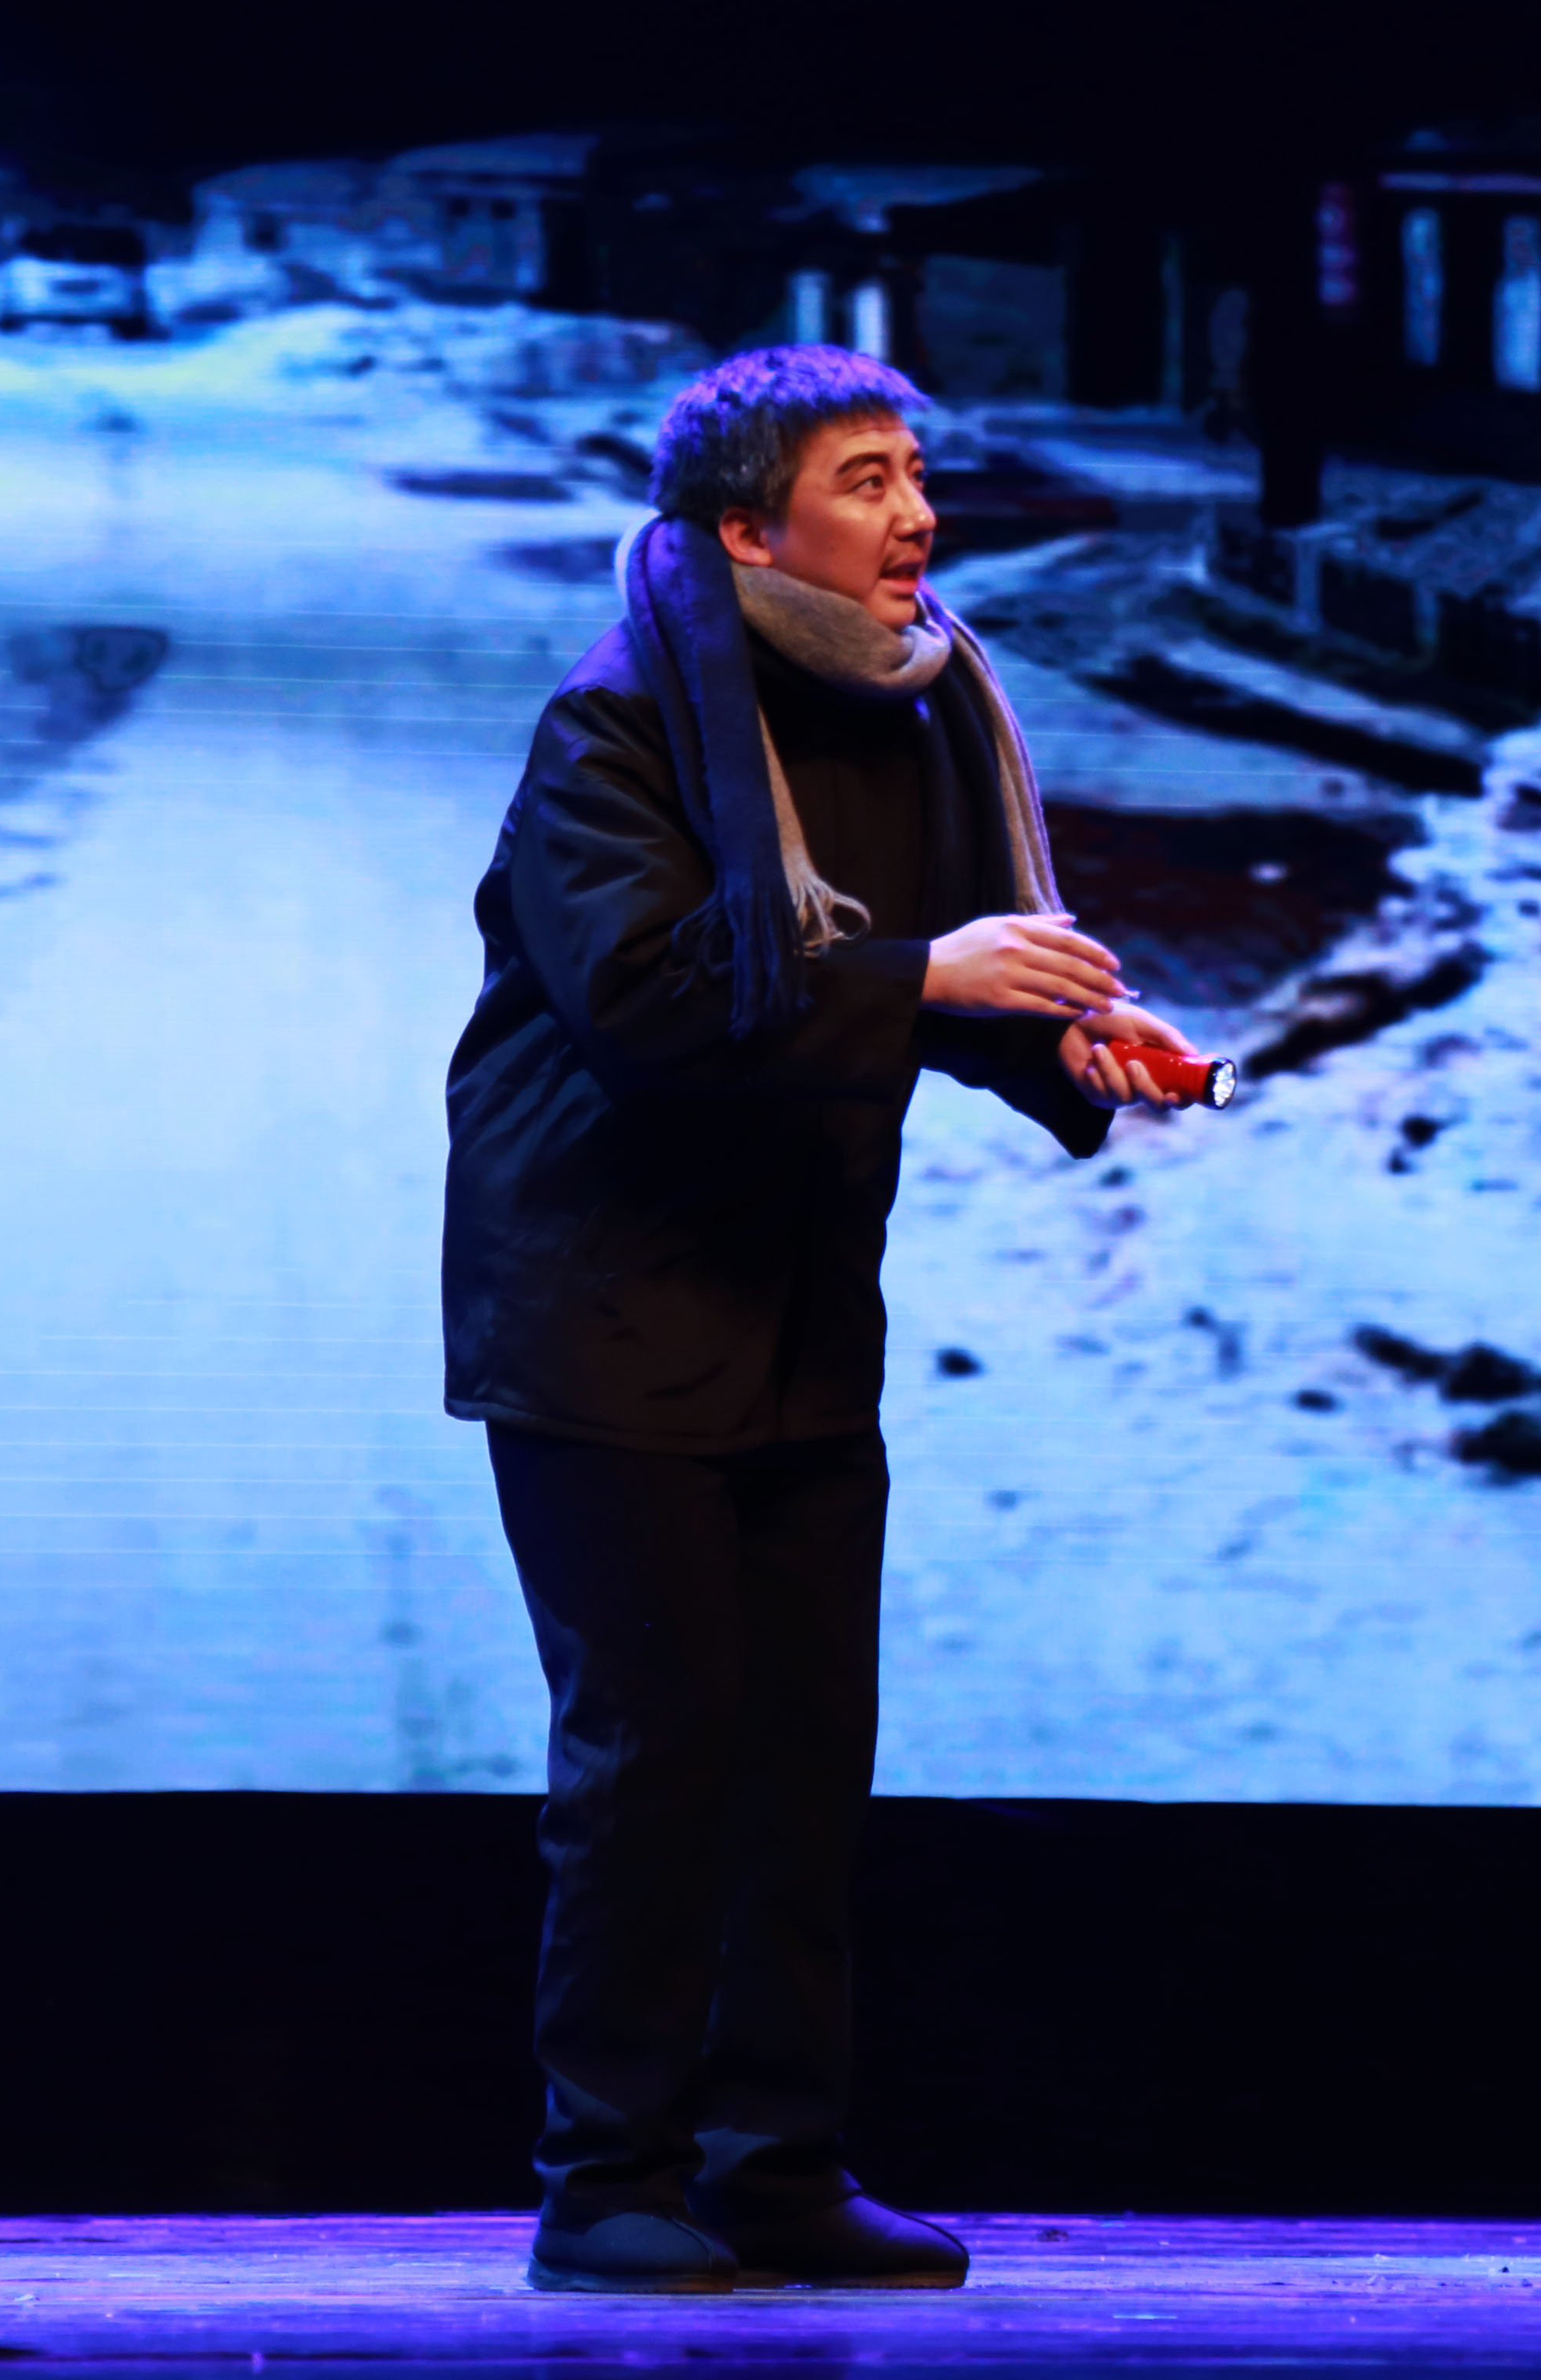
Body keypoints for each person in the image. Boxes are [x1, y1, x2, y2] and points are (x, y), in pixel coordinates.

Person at [443, 346, 1189, 2293]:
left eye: (914, 473)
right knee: (653, 1753)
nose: (916, 515)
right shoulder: (614, 724)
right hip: (602, 1298)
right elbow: (651, 1001)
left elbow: (932, 972)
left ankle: (772, 2163)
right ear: (744, 530)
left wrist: (1069, 1041)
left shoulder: (913, 703)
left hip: (790, 1299)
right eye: (864, 479)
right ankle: (607, 2176)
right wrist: (932, 979)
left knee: (796, 1758)